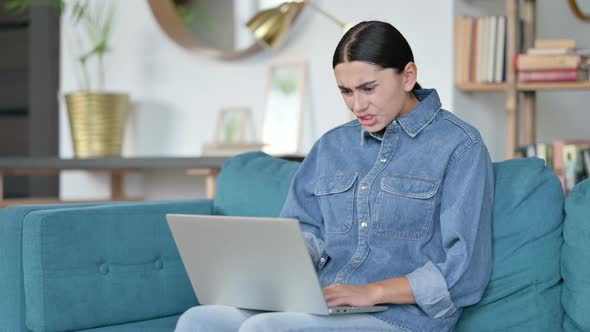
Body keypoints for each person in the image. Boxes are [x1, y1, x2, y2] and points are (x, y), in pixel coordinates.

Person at [175, 20, 494, 332]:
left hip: (403, 317)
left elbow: (466, 272)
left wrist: (373, 291)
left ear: (408, 76)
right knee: (199, 320)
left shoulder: (460, 146)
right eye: (346, 91)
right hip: (324, 303)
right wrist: (267, 273)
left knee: (266, 328)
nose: (358, 105)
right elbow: (304, 233)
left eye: (369, 88)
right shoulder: (331, 146)